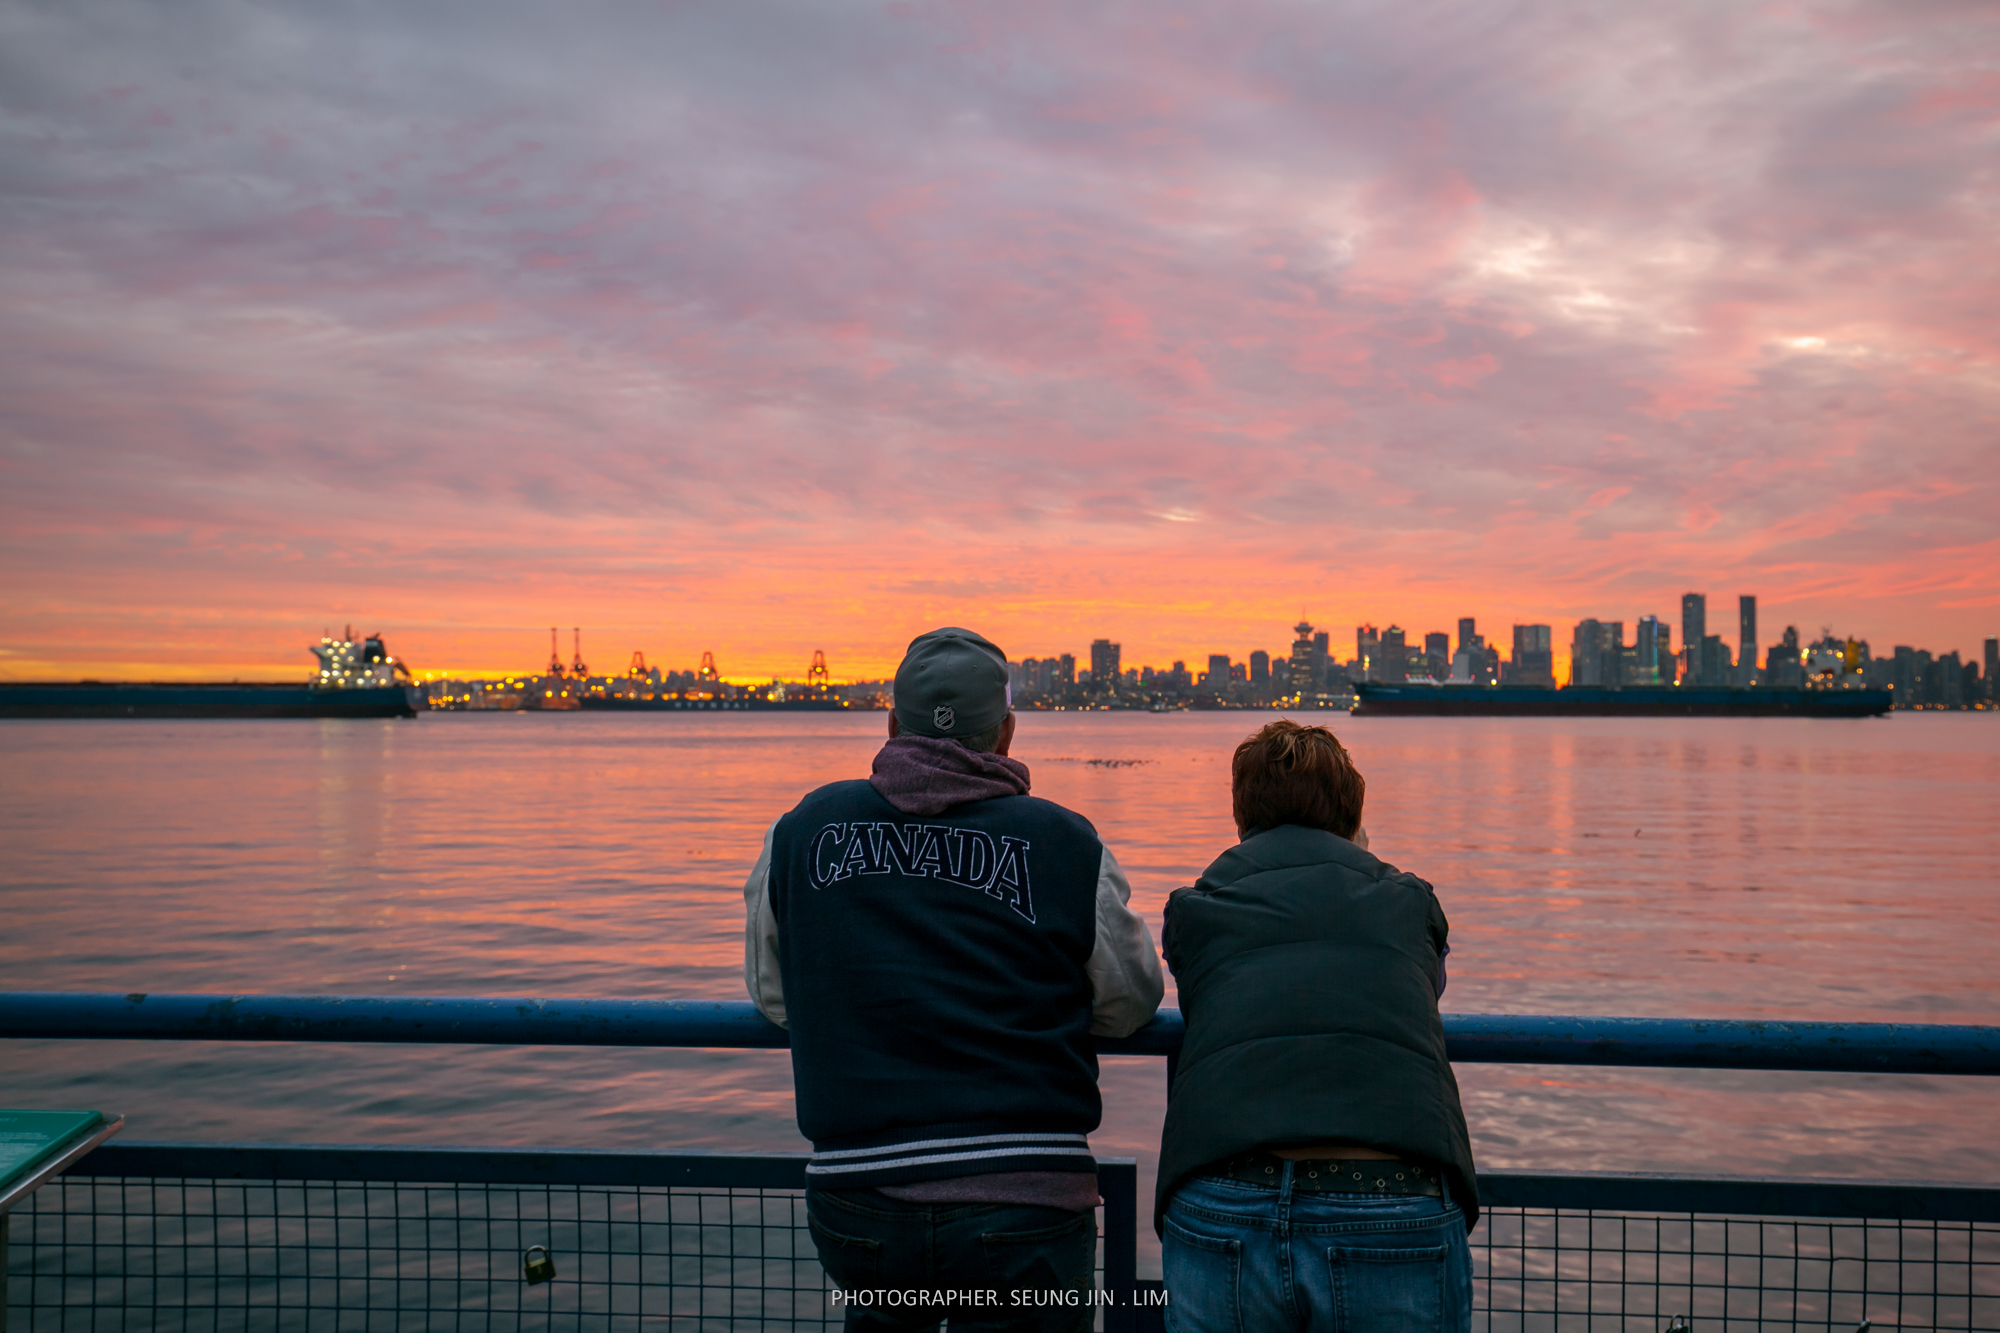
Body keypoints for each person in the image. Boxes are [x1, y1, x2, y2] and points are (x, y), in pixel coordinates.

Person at [743, 627, 1164, 1331]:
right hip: (1025, 1199)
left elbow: (774, 996)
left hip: (861, 1198)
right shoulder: (1065, 841)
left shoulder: (803, 829)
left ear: (888, 723)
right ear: (1006, 733)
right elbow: (1130, 1004)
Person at [1156, 719, 1478, 1333]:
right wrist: (1361, 852)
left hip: (1225, 1198)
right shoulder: (1411, 903)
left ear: (1242, 816)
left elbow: (1204, 990)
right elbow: (1427, 986)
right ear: (1354, 813)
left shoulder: (1196, 911)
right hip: (1390, 1198)